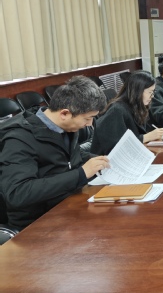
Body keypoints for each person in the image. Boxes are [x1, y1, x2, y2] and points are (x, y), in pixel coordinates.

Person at [0, 76, 109, 231]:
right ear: (64, 114)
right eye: (87, 118)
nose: (90, 124)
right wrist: (81, 174)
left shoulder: (66, 126)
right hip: (38, 223)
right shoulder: (19, 139)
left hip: (69, 206)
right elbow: (18, 193)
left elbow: (69, 157)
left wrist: (99, 161)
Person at [91, 71, 163, 155]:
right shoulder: (116, 110)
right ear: (138, 91)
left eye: (153, 92)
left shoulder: (137, 106)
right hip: (109, 159)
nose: (152, 96)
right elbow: (116, 145)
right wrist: (146, 137)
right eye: (150, 92)